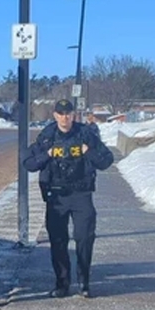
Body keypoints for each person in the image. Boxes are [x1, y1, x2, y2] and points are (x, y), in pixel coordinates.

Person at [22, 99, 114, 298]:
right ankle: (62, 283)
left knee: (85, 238)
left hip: (81, 194)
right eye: (61, 113)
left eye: (68, 113)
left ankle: (84, 282)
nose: (65, 117)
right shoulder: (47, 136)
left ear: (74, 115)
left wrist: (88, 152)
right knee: (58, 240)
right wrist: (46, 155)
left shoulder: (85, 135)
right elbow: (28, 163)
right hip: (56, 197)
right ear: (54, 115)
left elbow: (106, 160)